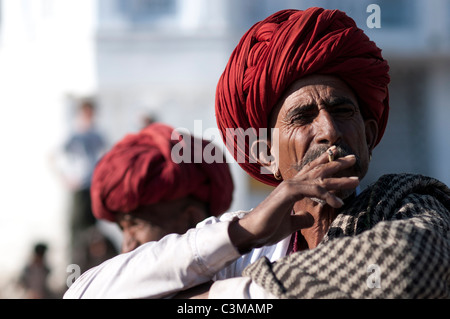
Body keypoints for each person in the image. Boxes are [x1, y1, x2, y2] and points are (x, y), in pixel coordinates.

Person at [64, 8, 450, 299]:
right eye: (303, 116)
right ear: (264, 152)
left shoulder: (406, 204)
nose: (329, 131)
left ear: (367, 135)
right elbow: (82, 293)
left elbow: (405, 268)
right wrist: (245, 231)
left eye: (343, 111)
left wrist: (209, 299)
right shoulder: (244, 242)